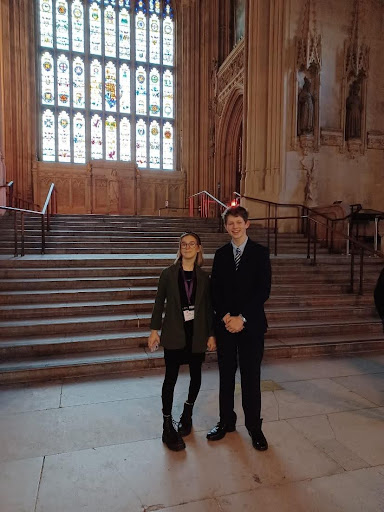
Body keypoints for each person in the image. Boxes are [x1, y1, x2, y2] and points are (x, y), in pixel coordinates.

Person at [207, 206, 271, 451]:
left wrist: (241, 318)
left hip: (251, 325)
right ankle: (226, 421)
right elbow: (215, 291)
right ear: (226, 227)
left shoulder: (260, 253)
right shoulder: (222, 254)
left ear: (247, 224)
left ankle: (254, 427)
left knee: (250, 378)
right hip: (225, 326)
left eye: (238, 222)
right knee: (225, 376)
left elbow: (262, 290)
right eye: (230, 223)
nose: (234, 227)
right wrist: (225, 317)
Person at [148, 232, 216, 451]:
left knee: (196, 375)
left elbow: (208, 308)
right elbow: (159, 303)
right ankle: (167, 425)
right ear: (180, 248)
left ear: (198, 248)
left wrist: (212, 334)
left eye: (192, 244)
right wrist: (153, 330)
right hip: (175, 333)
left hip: (197, 334)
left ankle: (187, 413)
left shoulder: (205, 277)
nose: (187, 247)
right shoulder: (168, 274)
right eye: (183, 244)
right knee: (171, 378)